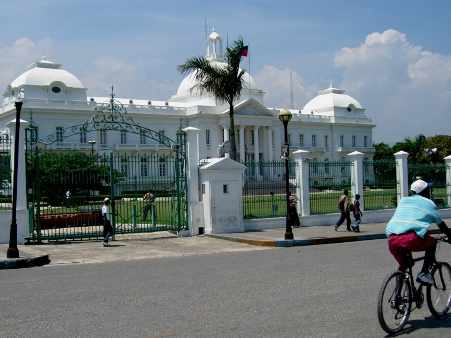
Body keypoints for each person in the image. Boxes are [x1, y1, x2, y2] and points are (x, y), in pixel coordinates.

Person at [386, 179, 451, 285]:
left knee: (405, 265)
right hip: (411, 239)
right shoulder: (429, 203)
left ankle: (398, 296)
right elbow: (441, 225)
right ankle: (424, 273)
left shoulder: (403, 201)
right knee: (432, 243)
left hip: (392, 239)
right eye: (428, 190)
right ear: (425, 192)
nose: (430, 192)